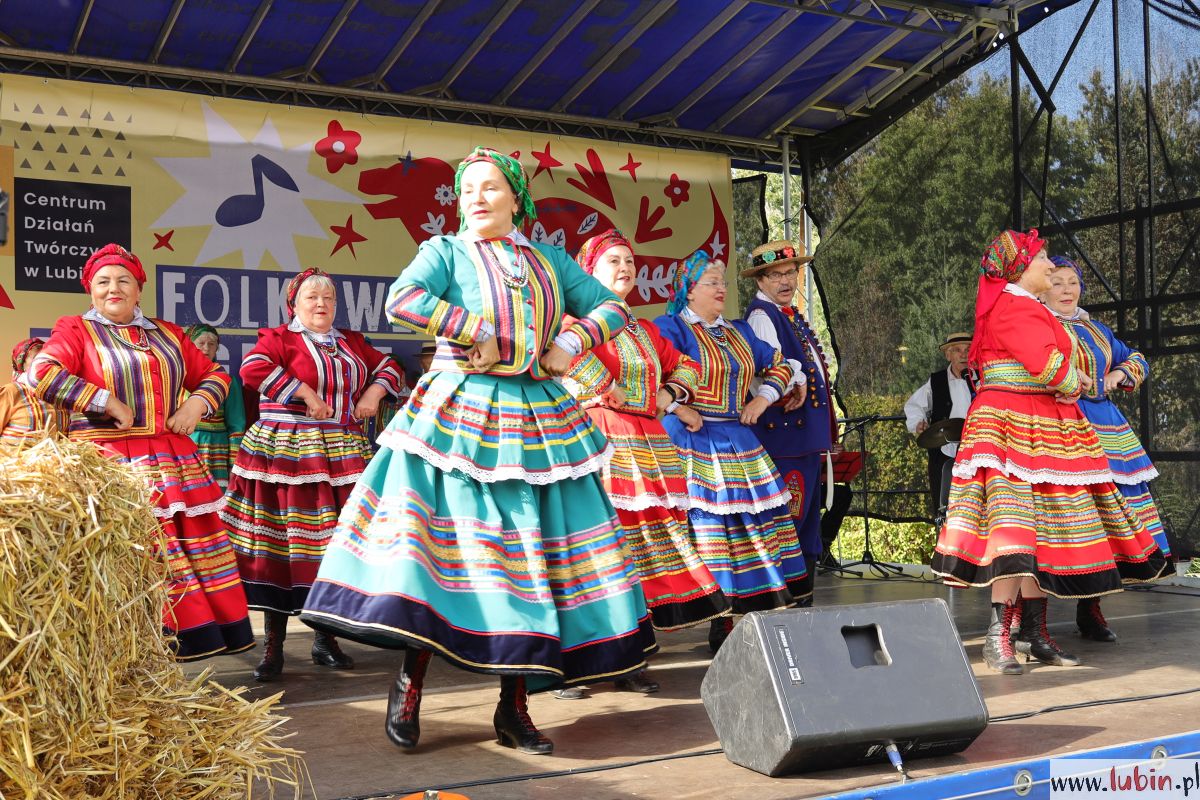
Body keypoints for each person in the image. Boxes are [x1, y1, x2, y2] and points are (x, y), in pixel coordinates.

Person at [300, 147, 656, 756]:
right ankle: (411, 682)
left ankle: (512, 706)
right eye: (468, 188)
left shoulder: (549, 260)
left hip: (538, 418)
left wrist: (570, 343)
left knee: (530, 558)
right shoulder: (445, 252)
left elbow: (612, 306)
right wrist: (474, 331)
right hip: (459, 417)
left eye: (490, 187)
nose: (476, 197)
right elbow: (404, 300)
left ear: (516, 197)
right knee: (443, 551)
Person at [931, 230, 1168, 675]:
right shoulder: (1012, 306)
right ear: (1021, 268)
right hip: (1011, 426)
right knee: (1013, 533)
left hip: (1045, 424)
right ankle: (999, 635)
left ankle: (1035, 634)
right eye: (1040, 258)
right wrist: (1076, 382)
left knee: (1043, 533)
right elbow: (1053, 368)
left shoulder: (1036, 309)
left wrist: (1085, 381)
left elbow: (1076, 366)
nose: (1048, 266)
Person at [29, 243, 253, 660]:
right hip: (107, 462)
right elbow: (41, 372)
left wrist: (195, 404)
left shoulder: (167, 333)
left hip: (170, 461)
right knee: (134, 555)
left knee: (185, 554)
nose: (113, 289)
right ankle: (125, 651)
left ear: (138, 289)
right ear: (90, 290)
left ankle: (184, 647)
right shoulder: (76, 329)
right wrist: (105, 402)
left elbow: (217, 375)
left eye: (123, 281)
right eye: (103, 282)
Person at [560, 229, 730, 696]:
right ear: (588, 272)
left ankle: (627, 658)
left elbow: (689, 365)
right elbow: (566, 362)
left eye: (629, 261)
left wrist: (671, 394)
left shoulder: (644, 328)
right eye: (613, 260)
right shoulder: (574, 320)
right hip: (595, 441)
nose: (625, 268)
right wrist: (608, 389)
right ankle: (571, 662)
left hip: (646, 449)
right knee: (591, 550)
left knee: (635, 553)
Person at [221, 267, 404, 682]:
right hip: (287, 454)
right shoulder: (278, 338)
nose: (321, 304)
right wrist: (305, 394)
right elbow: (253, 369)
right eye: (311, 297)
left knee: (333, 548)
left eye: (328, 298)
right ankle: (273, 645)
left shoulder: (352, 342)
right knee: (281, 544)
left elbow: (390, 367)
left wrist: (374, 391)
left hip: (341, 455)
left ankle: (326, 638)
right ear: (294, 304)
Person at [653, 250, 807, 653]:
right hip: (689, 438)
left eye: (723, 282)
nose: (721, 288)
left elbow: (783, 364)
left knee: (744, 530)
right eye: (712, 282)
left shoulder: (739, 332)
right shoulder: (671, 328)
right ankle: (704, 610)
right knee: (699, 528)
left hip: (737, 440)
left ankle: (732, 618)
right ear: (689, 288)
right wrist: (675, 405)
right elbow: (646, 374)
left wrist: (763, 399)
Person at [1043, 256, 1172, 642]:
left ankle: (1091, 608)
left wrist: (1119, 373)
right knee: (1058, 517)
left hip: (1106, 431)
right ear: (1043, 288)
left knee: (1109, 519)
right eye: (1058, 282)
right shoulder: (1037, 324)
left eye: (1073, 283)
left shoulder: (1096, 330)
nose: (1067, 290)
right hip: (1060, 425)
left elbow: (1137, 358)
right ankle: (1032, 619)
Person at [743, 240, 835, 604]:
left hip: (804, 442)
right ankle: (778, 607)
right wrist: (793, 381)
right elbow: (768, 370)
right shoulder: (762, 317)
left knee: (807, 528)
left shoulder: (787, 315)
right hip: (784, 441)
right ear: (760, 281)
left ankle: (802, 603)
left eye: (790, 272)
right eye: (776, 274)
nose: (785, 280)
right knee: (787, 524)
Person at [904, 332, 974, 514]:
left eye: (967, 349)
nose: (963, 355)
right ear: (948, 355)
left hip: (977, 450)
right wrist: (919, 422)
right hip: (944, 450)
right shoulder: (937, 381)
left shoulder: (980, 378)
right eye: (957, 350)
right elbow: (914, 405)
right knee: (944, 504)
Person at [185, 324, 246, 489]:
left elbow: (236, 425)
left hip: (216, 451)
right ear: (190, 346)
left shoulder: (228, 381)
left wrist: (234, 462)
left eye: (211, 344)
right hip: (185, 448)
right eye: (201, 343)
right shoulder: (178, 378)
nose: (206, 348)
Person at [0, 337, 59, 443]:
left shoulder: (60, 397)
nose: (44, 363)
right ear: (22, 366)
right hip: (16, 458)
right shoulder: (12, 392)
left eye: (48, 359)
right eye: (36, 359)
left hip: (51, 458)